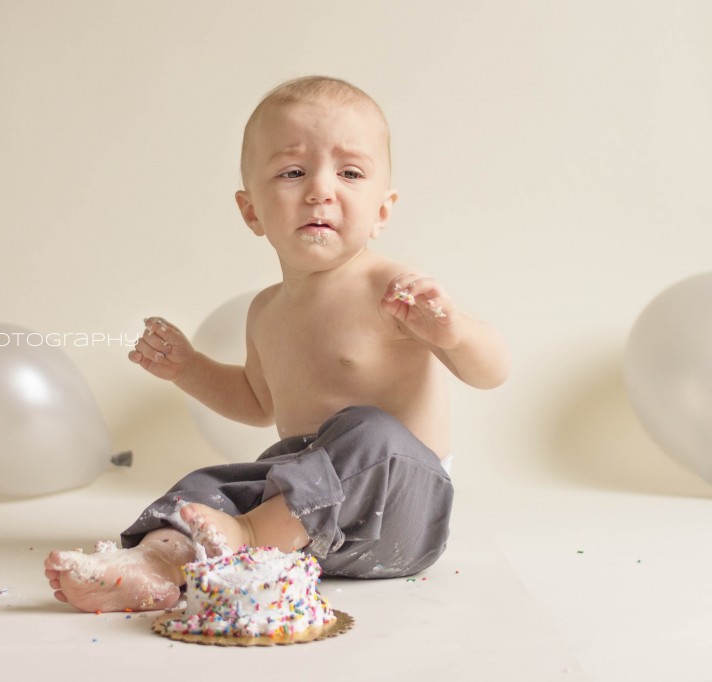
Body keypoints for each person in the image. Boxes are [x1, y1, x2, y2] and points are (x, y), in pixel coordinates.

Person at [44, 75, 510, 613]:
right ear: (252, 212)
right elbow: (258, 403)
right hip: (303, 525)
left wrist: (453, 331)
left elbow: (491, 371)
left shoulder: (395, 291)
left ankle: (241, 537)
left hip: (398, 508)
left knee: (372, 433)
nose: (320, 190)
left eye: (350, 172)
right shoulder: (266, 311)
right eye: (292, 172)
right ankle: (157, 562)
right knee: (211, 481)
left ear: (382, 210)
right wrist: (189, 369)